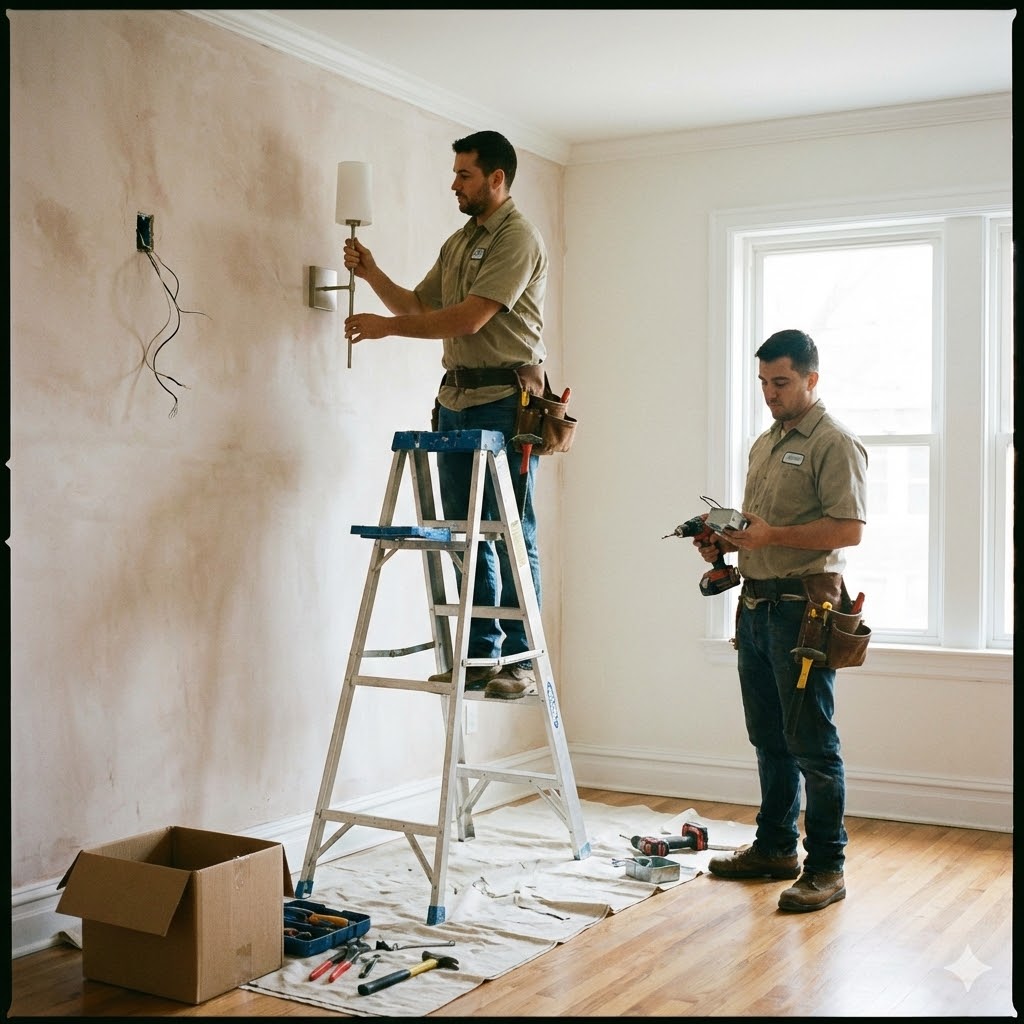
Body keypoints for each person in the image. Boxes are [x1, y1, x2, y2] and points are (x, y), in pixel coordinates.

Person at [343, 130, 548, 701]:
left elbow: (469, 320)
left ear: (496, 179)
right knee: (466, 535)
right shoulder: (460, 243)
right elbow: (419, 306)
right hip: (455, 403)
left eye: (464, 175)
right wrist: (372, 275)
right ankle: (481, 656)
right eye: (455, 173)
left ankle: (520, 660)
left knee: (510, 532)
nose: (454, 184)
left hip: (506, 405)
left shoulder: (517, 238)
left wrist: (385, 330)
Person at [694, 329, 868, 912]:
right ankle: (774, 849)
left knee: (813, 745)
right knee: (768, 738)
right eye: (764, 383)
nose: (770, 394)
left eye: (782, 383)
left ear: (811, 379)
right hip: (757, 603)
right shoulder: (764, 443)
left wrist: (772, 537)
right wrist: (727, 546)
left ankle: (826, 867)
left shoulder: (835, 444)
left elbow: (848, 530)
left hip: (804, 610)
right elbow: (760, 532)